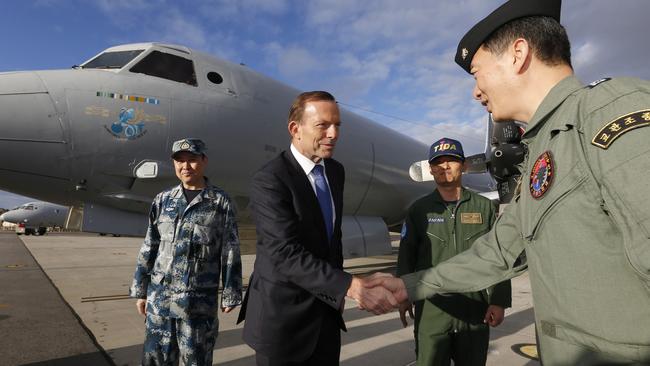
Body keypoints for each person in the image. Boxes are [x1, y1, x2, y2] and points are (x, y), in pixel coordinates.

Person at [366, 0, 650, 364]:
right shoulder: (542, 152)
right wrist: (408, 284)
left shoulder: (608, 114)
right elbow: (499, 251)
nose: (476, 91)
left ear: (518, 54)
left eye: (476, 73)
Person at [238, 91, 398, 366]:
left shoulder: (335, 172)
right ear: (295, 129)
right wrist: (350, 286)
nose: (333, 134)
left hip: (326, 315)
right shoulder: (270, 179)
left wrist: (347, 286)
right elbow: (284, 253)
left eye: (337, 125)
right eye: (323, 125)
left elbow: (330, 241)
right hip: (283, 322)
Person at [397, 137, 511, 366]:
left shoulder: (484, 207)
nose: (444, 167)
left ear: (464, 166)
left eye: (452, 161)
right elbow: (406, 255)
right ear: (431, 169)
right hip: (432, 308)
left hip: (473, 307)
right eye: (438, 163)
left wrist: (498, 300)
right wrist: (403, 295)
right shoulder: (419, 210)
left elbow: (499, 254)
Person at [130, 138, 242, 366]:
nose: (185, 166)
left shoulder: (220, 202)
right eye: (180, 161)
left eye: (192, 160)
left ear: (204, 161)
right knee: (155, 360)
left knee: (197, 361)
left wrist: (231, 291)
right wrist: (141, 290)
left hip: (197, 304)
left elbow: (230, 250)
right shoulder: (163, 200)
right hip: (160, 301)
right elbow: (150, 246)